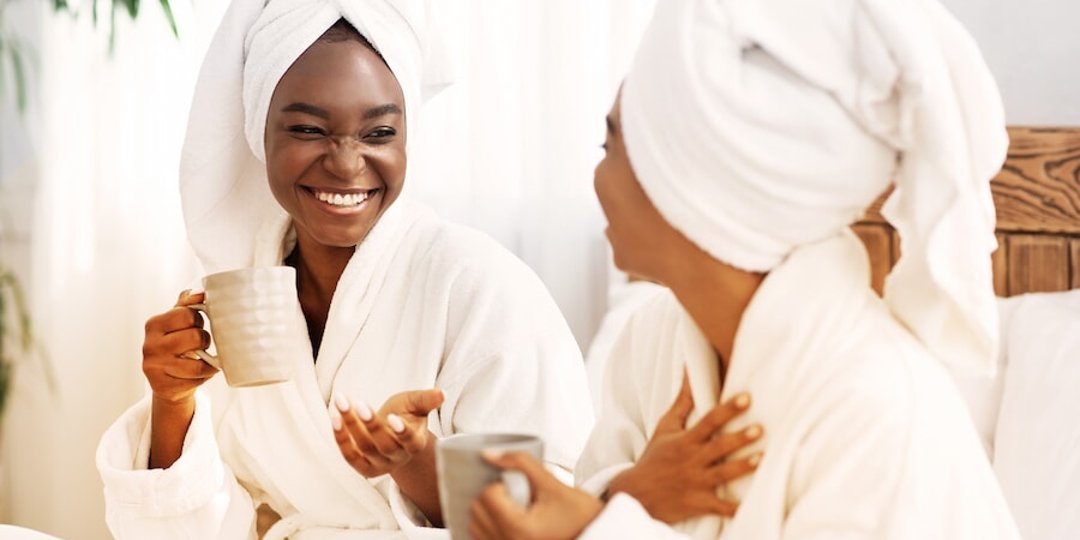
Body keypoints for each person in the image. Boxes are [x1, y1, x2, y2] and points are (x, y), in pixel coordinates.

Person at [467, 0, 1023, 538]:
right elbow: (584, 503)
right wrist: (624, 498)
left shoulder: (883, 414)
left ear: (683, 187)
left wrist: (599, 526)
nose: (596, 176)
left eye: (608, 143)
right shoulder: (652, 342)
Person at [95, 1, 593, 539]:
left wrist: (415, 462)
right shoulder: (242, 293)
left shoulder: (483, 288)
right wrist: (173, 403)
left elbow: (544, 519)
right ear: (258, 133)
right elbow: (195, 526)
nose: (346, 162)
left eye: (378, 133)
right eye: (309, 129)